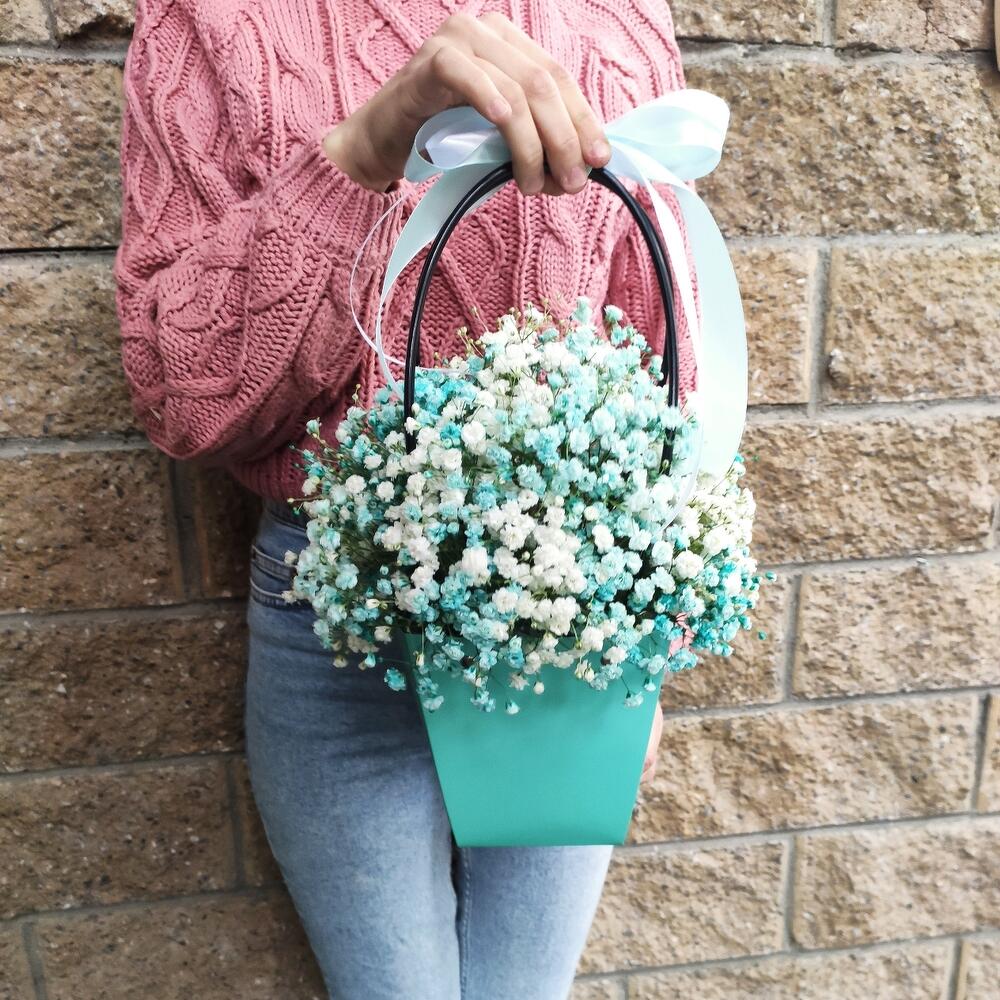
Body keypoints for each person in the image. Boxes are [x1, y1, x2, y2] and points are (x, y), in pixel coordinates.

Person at [114, 2, 695, 997]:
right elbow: (185, 395)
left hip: (565, 613)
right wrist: (362, 150)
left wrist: (650, 636)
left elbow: (663, 353)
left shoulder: (618, 12)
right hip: (335, 615)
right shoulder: (207, 21)